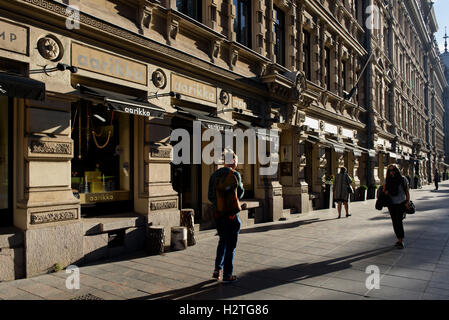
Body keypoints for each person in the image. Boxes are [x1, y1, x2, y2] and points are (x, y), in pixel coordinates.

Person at [207, 149, 244, 283]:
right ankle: (228, 275)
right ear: (233, 160)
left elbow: (210, 196)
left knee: (222, 240)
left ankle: (217, 270)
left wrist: (219, 205)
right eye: (236, 161)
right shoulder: (235, 174)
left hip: (218, 214)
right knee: (231, 245)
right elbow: (239, 194)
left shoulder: (214, 175)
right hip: (231, 216)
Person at [383, 164, 410, 249]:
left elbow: (407, 191)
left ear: (397, 170)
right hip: (391, 203)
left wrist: (407, 202)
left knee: (399, 221)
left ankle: (401, 240)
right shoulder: (387, 180)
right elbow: (384, 190)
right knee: (394, 221)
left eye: (394, 170)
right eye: (390, 170)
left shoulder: (403, 179)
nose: (392, 172)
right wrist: (386, 192)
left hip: (401, 203)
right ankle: (399, 239)